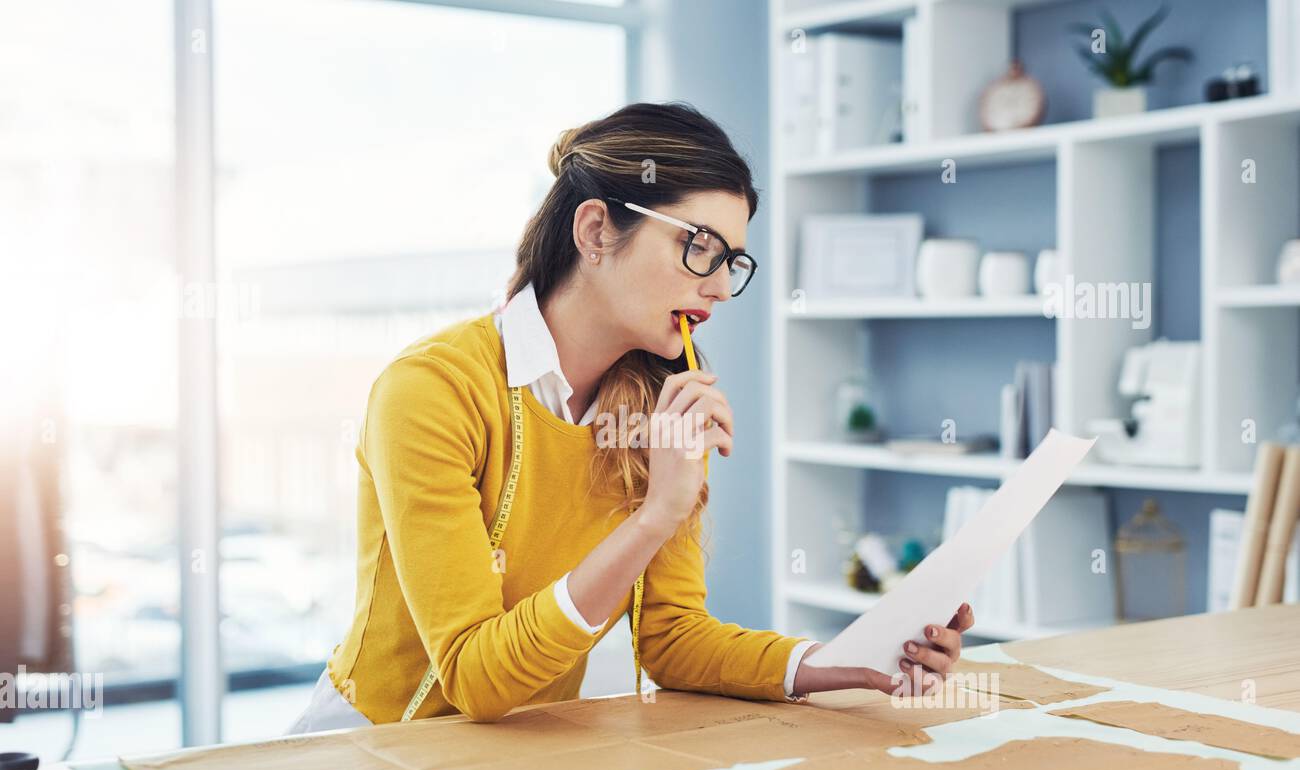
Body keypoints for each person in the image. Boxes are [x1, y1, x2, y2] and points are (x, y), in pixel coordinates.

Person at [286, 101, 973, 734]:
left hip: (522, 751)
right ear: (595, 229)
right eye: (700, 246)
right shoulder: (432, 390)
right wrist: (654, 517)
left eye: (732, 260)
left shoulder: (660, 398)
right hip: (373, 750)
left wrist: (848, 660)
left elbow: (671, 636)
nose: (721, 287)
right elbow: (474, 675)